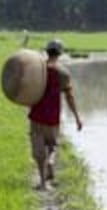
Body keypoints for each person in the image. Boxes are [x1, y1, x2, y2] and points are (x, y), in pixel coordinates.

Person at [28, 39, 82, 190]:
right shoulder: (63, 73)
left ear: (47, 51)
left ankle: (43, 183)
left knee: (38, 151)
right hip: (53, 117)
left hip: (36, 115)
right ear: (60, 53)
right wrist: (77, 117)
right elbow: (70, 97)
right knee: (52, 145)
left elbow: (26, 89)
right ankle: (51, 161)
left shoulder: (37, 69)